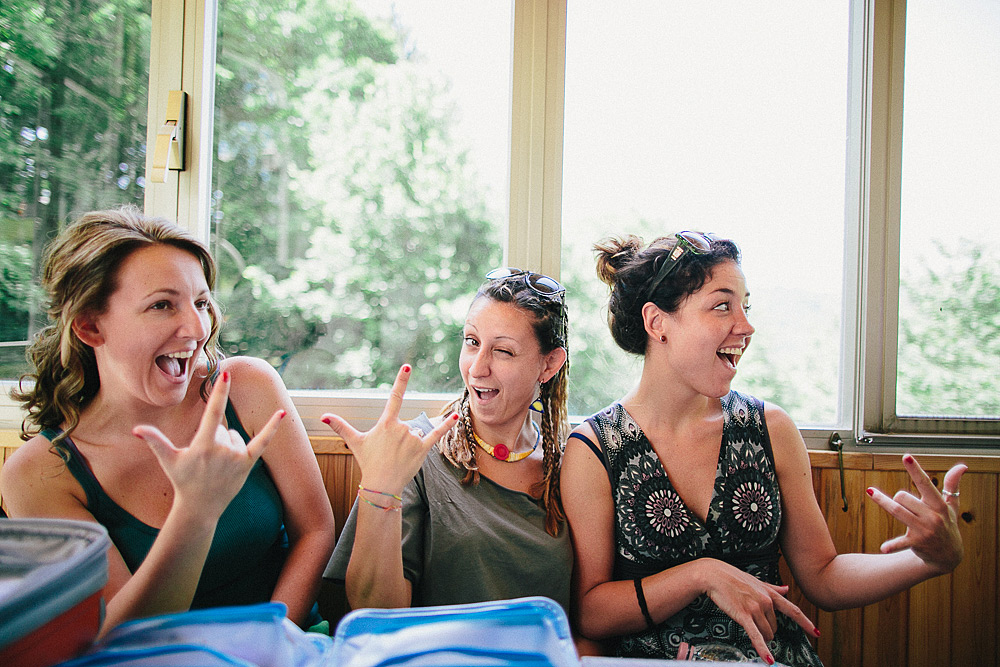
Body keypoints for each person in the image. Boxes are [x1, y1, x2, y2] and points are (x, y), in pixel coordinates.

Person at [561, 232, 966, 666]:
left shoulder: (769, 429)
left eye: (746, 307)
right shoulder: (595, 449)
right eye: (722, 305)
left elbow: (824, 577)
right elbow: (592, 613)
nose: (746, 326)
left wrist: (928, 560)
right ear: (657, 322)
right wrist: (701, 575)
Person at [1, 206, 336, 634]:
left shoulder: (247, 387)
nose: (196, 328)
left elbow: (316, 529)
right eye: (162, 305)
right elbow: (118, 636)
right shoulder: (38, 473)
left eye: (200, 302)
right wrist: (195, 512)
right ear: (89, 327)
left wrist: (273, 641)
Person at [322, 268, 572, 613]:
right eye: (472, 342)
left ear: (549, 365)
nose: (477, 368)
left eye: (503, 351)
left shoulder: (573, 460)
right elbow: (374, 609)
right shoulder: (415, 452)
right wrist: (380, 489)